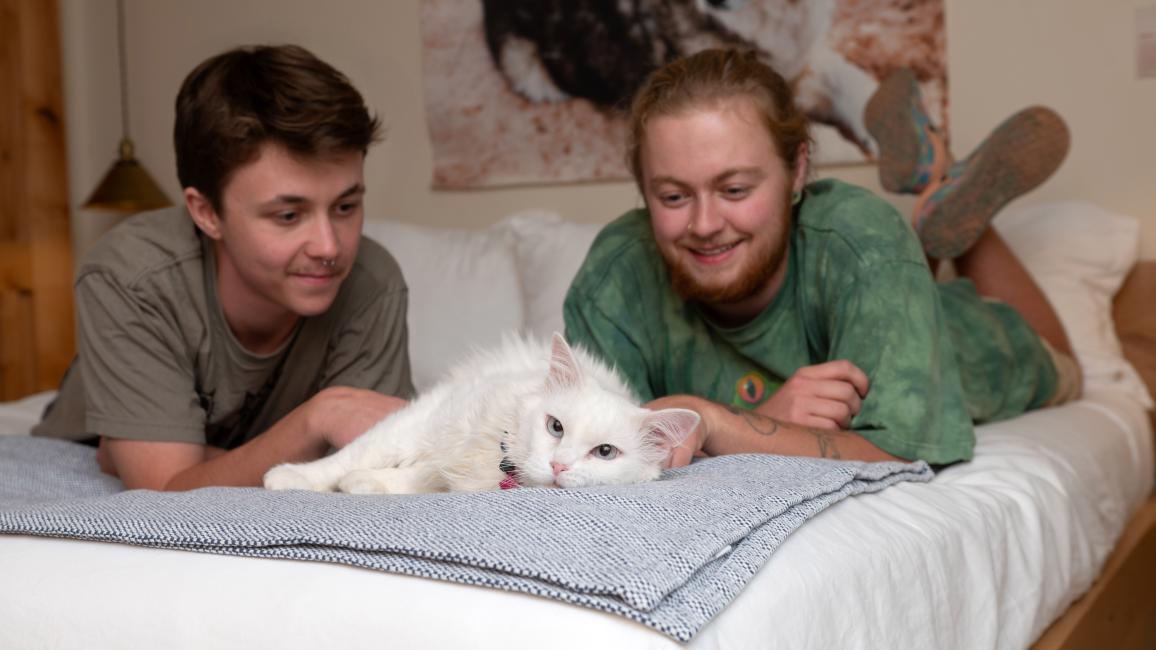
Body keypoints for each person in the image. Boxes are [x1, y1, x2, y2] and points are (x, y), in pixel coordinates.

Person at [563, 49, 1081, 467]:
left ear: (797, 171)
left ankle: (943, 185)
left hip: (962, 340)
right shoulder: (614, 278)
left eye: (735, 189)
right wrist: (762, 419)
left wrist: (715, 421)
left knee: (1064, 365)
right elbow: (604, 458)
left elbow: (900, 453)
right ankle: (938, 183)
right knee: (879, 276)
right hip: (869, 298)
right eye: (674, 197)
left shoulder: (861, 237)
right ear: (643, 189)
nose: (703, 225)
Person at [32, 45, 414, 490]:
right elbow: (165, 491)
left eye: (346, 206)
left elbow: (364, 472)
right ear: (206, 213)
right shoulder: (132, 275)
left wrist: (185, 459)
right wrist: (317, 421)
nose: (330, 247)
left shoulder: (373, 283)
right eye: (288, 216)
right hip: (74, 452)